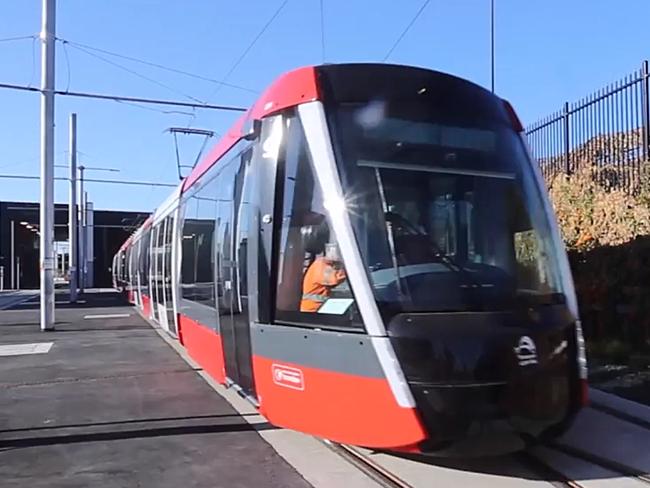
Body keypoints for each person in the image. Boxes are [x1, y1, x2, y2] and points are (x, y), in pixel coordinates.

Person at [300, 241, 347, 312]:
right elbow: (335, 279)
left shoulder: (326, 264)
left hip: (319, 308)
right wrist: (349, 269)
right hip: (312, 310)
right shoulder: (321, 264)